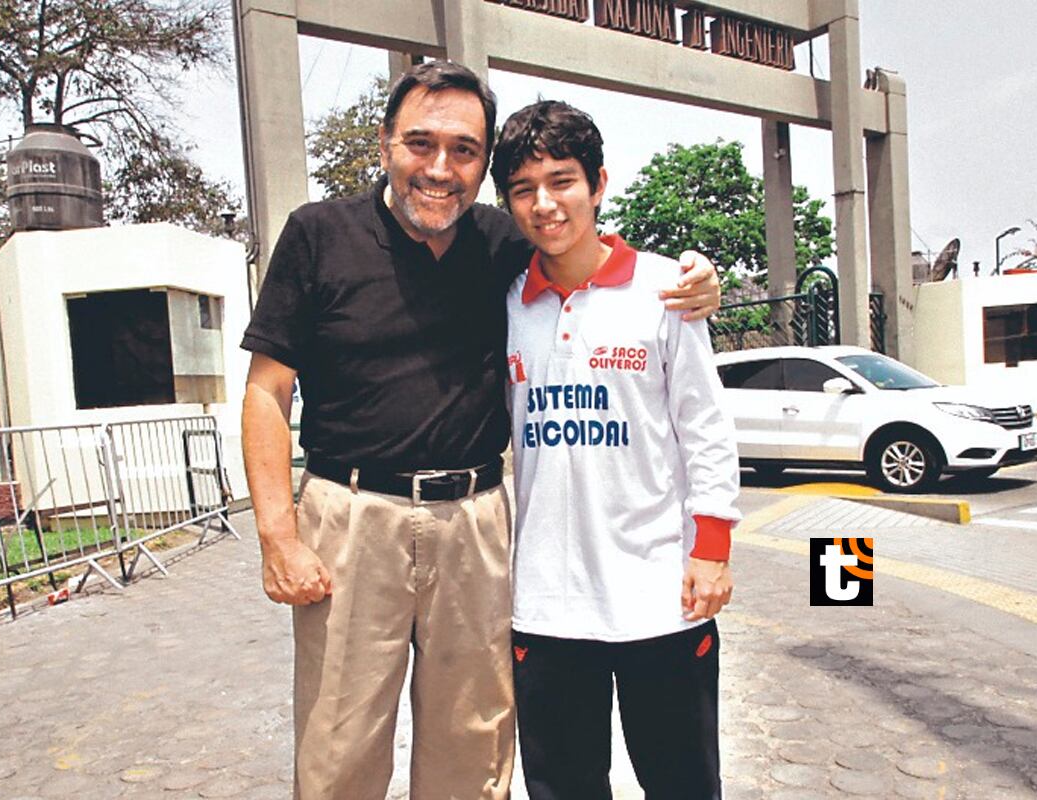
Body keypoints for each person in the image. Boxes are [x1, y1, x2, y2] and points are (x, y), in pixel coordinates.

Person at [240, 61, 721, 800]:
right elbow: (267, 391)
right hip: (350, 519)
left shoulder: (501, 243)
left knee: (473, 752)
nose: (440, 168)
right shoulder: (318, 234)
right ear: (385, 144)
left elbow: (585, 245)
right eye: (420, 143)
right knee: (340, 750)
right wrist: (278, 535)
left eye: (464, 150)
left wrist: (694, 276)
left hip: (476, 527)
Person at [491, 100, 740, 800]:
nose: (545, 205)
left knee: (683, 783)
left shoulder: (665, 292)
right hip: (544, 606)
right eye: (523, 189)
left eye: (562, 181)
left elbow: (706, 427)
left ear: (598, 184)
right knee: (563, 788)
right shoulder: (505, 302)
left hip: (659, 597)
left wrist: (712, 544)